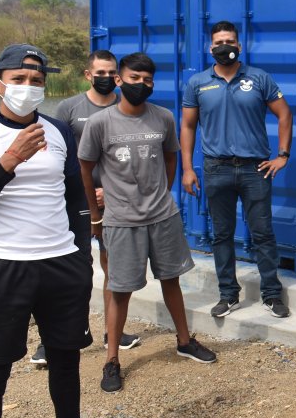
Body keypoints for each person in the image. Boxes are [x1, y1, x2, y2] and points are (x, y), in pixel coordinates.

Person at [0, 43, 120, 418]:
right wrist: (9, 161)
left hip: (61, 266)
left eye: (37, 81)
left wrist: (81, 258)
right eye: (19, 80)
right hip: (3, 265)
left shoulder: (59, 131)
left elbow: (76, 197)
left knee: (66, 362)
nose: (28, 88)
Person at [81, 52, 217, 393]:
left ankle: (184, 341)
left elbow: (171, 158)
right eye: (133, 79)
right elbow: (85, 167)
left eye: (147, 80)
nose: (141, 85)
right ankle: (112, 359)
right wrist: (95, 214)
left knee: (171, 280)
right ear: (118, 80)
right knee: (120, 290)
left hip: (162, 216)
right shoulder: (100, 123)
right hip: (121, 221)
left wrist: (162, 193)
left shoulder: (164, 118)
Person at [31, 50, 140, 367]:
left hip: (114, 201)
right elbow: (53, 153)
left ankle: (113, 333)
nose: (106, 77)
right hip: (75, 201)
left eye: (111, 72)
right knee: (70, 271)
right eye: (100, 72)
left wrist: (111, 189)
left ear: (117, 76)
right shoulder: (69, 108)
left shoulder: (126, 108)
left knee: (113, 270)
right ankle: (52, 340)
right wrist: (82, 190)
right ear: (87, 74)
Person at [181, 20, 293, 319]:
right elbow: (188, 126)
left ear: (239, 46)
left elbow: (284, 115)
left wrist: (282, 155)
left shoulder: (259, 78)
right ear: (210, 48)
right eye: (218, 43)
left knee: (263, 233)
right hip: (215, 168)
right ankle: (228, 294)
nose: (224, 47)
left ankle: (271, 295)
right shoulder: (198, 83)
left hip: (254, 169)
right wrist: (187, 169)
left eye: (229, 41)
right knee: (222, 234)